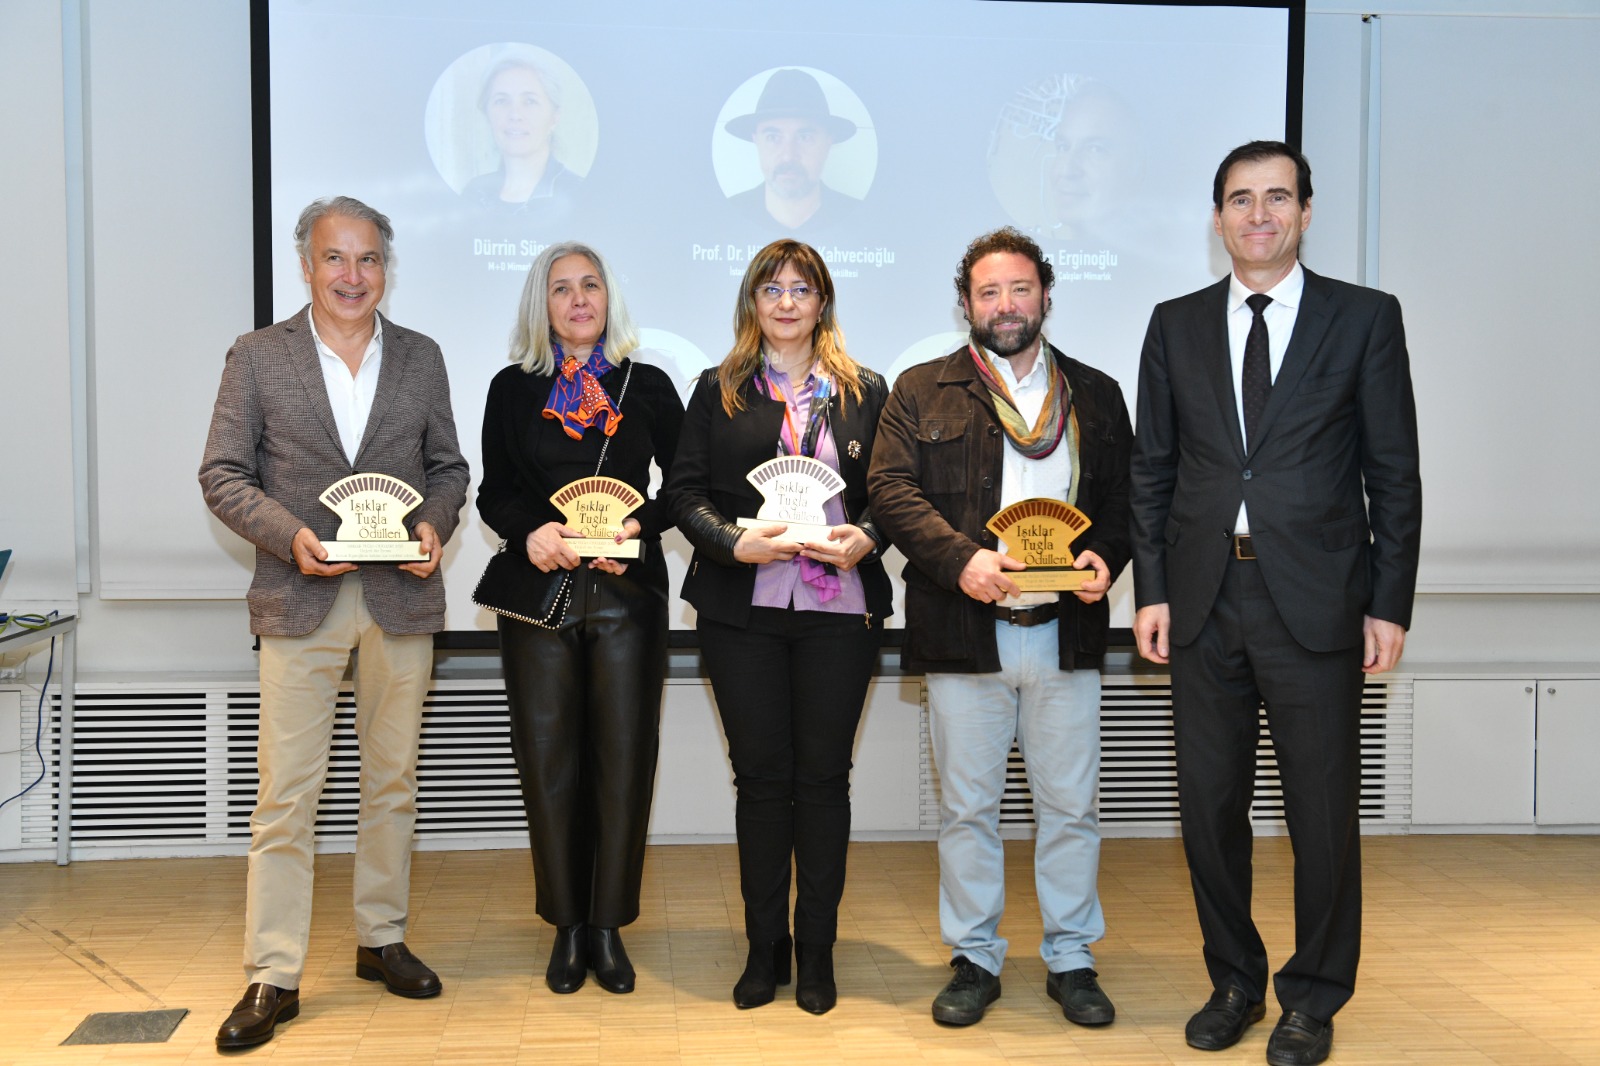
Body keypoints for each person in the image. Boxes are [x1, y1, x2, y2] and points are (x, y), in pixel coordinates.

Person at [1129, 141, 1421, 1066]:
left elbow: (1394, 473)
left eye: (1277, 198)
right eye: (1241, 199)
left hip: (1320, 604)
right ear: (1217, 217)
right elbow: (1152, 471)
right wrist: (1153, 590)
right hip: (1204, 600)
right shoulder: (1175, 324)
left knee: (1321, 815)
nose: (1259, 215)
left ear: (1306, 210)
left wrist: (1389, 602)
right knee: (1209, 811)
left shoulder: (1365, 318)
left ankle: (1313, 998)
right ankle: (1234, 981)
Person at [200, 196, 470, 1049]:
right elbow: (222, 474)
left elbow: (448, 468)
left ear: (386, 268)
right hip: (299, 595)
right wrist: (291, 537)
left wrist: (434, 523)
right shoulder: (257, 356)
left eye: (368, 259)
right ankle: (272, 973)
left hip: (400, 598)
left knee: (392, 782)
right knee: (286, 794)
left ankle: (381, 938)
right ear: (306, 265)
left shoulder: (422, 357)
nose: (353, 275)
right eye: (335, 258)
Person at [868, 227, 1131, 1029]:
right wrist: (962, 561)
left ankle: (1071, 958)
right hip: (965, 631)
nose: (1006, 305)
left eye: (1020, 288)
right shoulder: (921, 389)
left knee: (1071, 808)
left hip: (1064, 633)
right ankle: (975, 957)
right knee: (968, 810)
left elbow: (1127, 499)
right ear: (966, 303)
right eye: (989, 292)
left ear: (1046, 294)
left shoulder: (1095, 393)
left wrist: (1108, 557)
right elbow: (890, 489)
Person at [665, 239, 890, 1015]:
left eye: (802, 288)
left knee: (823, 782)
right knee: (761, 783)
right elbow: (683, 494)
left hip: (840, 611)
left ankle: (817, 952)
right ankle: (766, 950)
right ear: (752, 302)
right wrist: (733, 542)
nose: (787, 302)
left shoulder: (866, 391)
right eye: (772, 288)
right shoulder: (717, 389)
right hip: (744, 611)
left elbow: (892, 494)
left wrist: (868, 536)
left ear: (822, 301)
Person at [477, 240, 684, 996]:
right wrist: (528, 532)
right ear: (543, 305)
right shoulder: (512, 388)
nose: (578, 299)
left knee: (625, 761)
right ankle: (567, 926)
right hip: (541, 595)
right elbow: (494, 493)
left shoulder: (647, 385)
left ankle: (607, 927)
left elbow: (685, 485)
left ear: (608, 297)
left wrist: (639, 527)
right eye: (561, 288)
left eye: (590, 284)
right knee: (549, 764)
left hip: (628, 594)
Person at [724, 69, 863, 235]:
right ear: (756, 140)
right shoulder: (726, 214)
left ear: (828, 142)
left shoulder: (861, 217)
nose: (788, 156)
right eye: (773, 137)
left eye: (805, 137)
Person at [461, 58, 581, 224]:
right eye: (501, 101)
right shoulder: (474, 193)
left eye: (530, 101)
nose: (515, 115)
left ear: (554, 117)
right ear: (487, 115)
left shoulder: (578, 192)